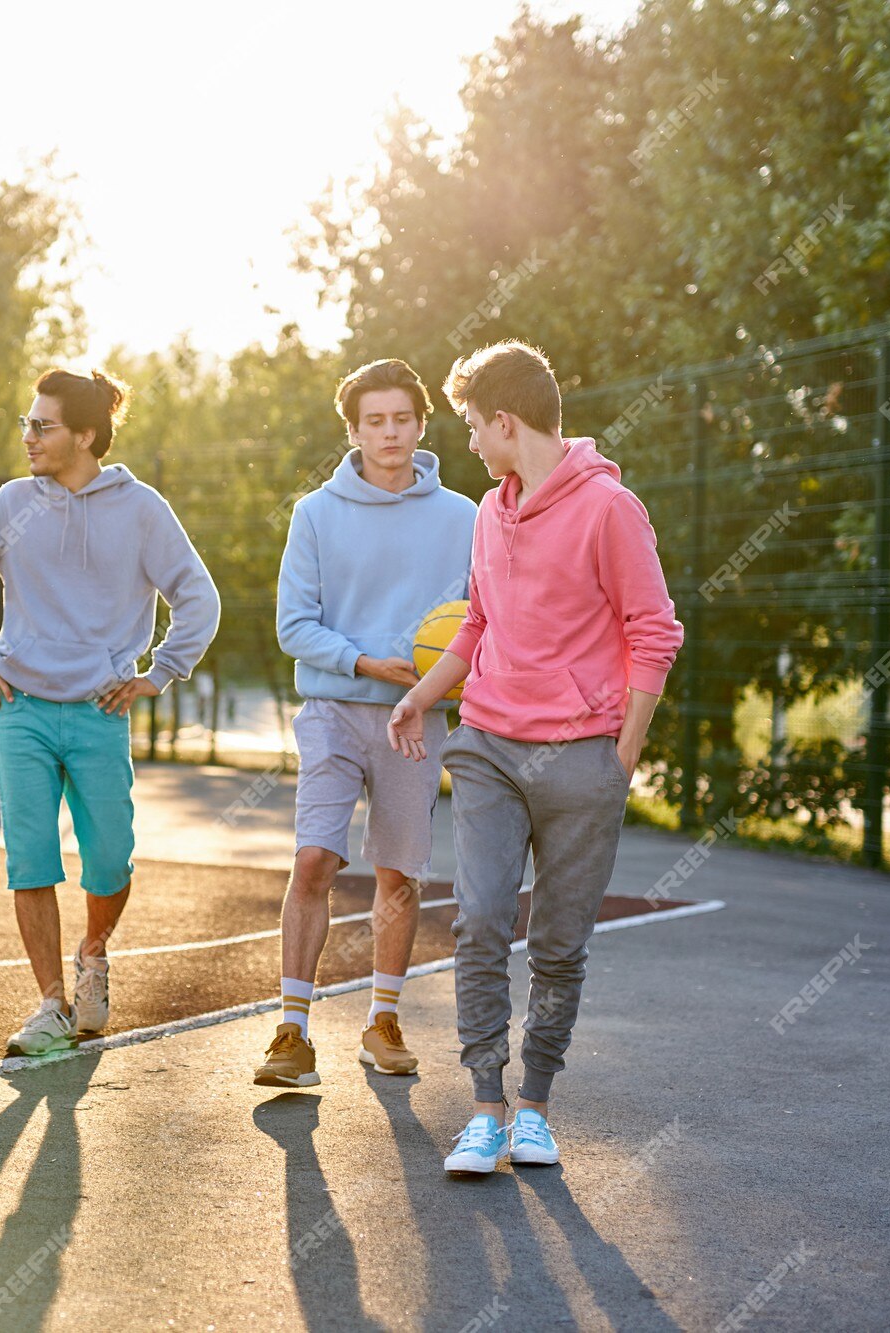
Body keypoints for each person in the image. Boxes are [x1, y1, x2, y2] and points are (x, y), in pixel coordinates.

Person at [387, 340, 682, 1175]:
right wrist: (422, 694)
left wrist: (621, 751)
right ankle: (484, 1105)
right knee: (480, 917)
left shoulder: (610, 510)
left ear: (507, 422)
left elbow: (653, 631)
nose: (472, 444)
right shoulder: (490, 512)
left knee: (558, 942)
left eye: (476, 427)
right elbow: (477, 624)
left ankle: (534, 1106)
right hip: (487, 746)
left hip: (582, 761)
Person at [0, 368, 219, 1057]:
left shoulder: (142, 508)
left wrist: (159, 674)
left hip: (100, 709)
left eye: (42, 424)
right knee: (29, 858)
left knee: (111, 860)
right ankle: (51, 1003)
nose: (27, 436)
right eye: (27, 423)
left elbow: (197, 597)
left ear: (85, 435)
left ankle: (95, 953)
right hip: (20, 706)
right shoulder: (10, 502)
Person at [253, 358, 476, 1088]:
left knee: (399, 874)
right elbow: (293, 625)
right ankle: (292, 1030)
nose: (390, 433)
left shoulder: (465, 519)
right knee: (314, 859)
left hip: (417, 721)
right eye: (374, 421)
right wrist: (366, 663)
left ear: (421, 424)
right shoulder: (316, 512)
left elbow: (483, 621)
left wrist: (439, 683)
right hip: (335, 709)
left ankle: (382, 1019)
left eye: (402, 419)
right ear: (352, 430)